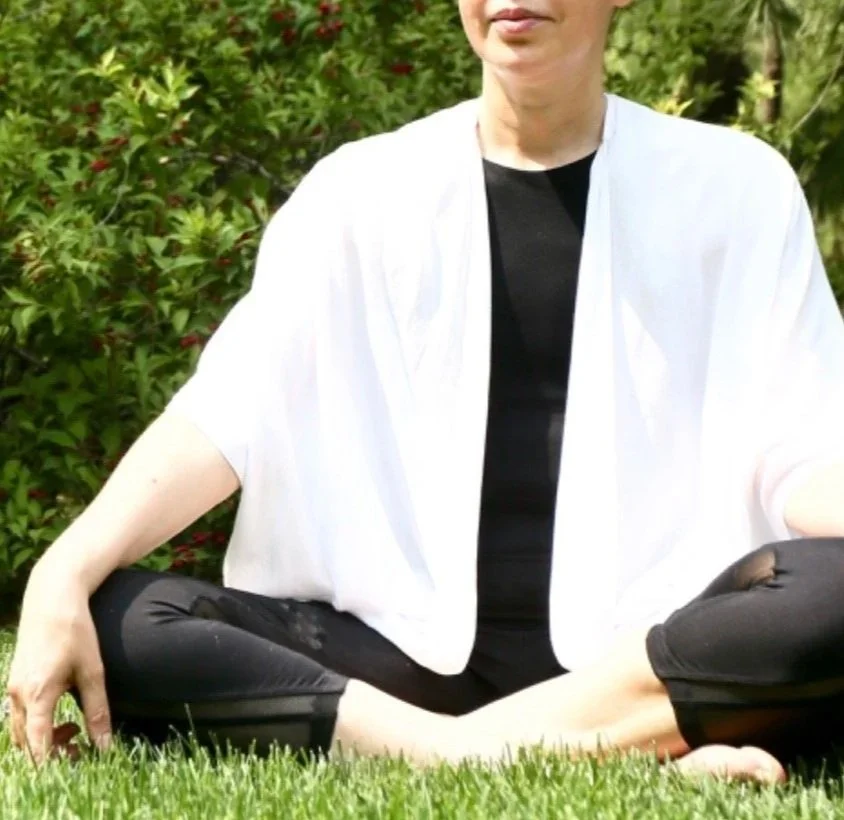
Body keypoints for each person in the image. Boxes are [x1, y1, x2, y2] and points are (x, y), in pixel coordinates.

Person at [6, 0, 844, 784]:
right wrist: (63, 566)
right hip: (397, 661)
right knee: (124, 614)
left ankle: (522, 739)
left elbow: (810, 448)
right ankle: (543, 749)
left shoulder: (736, 186)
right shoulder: (357, 190)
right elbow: (226, 417)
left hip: (650, 651)